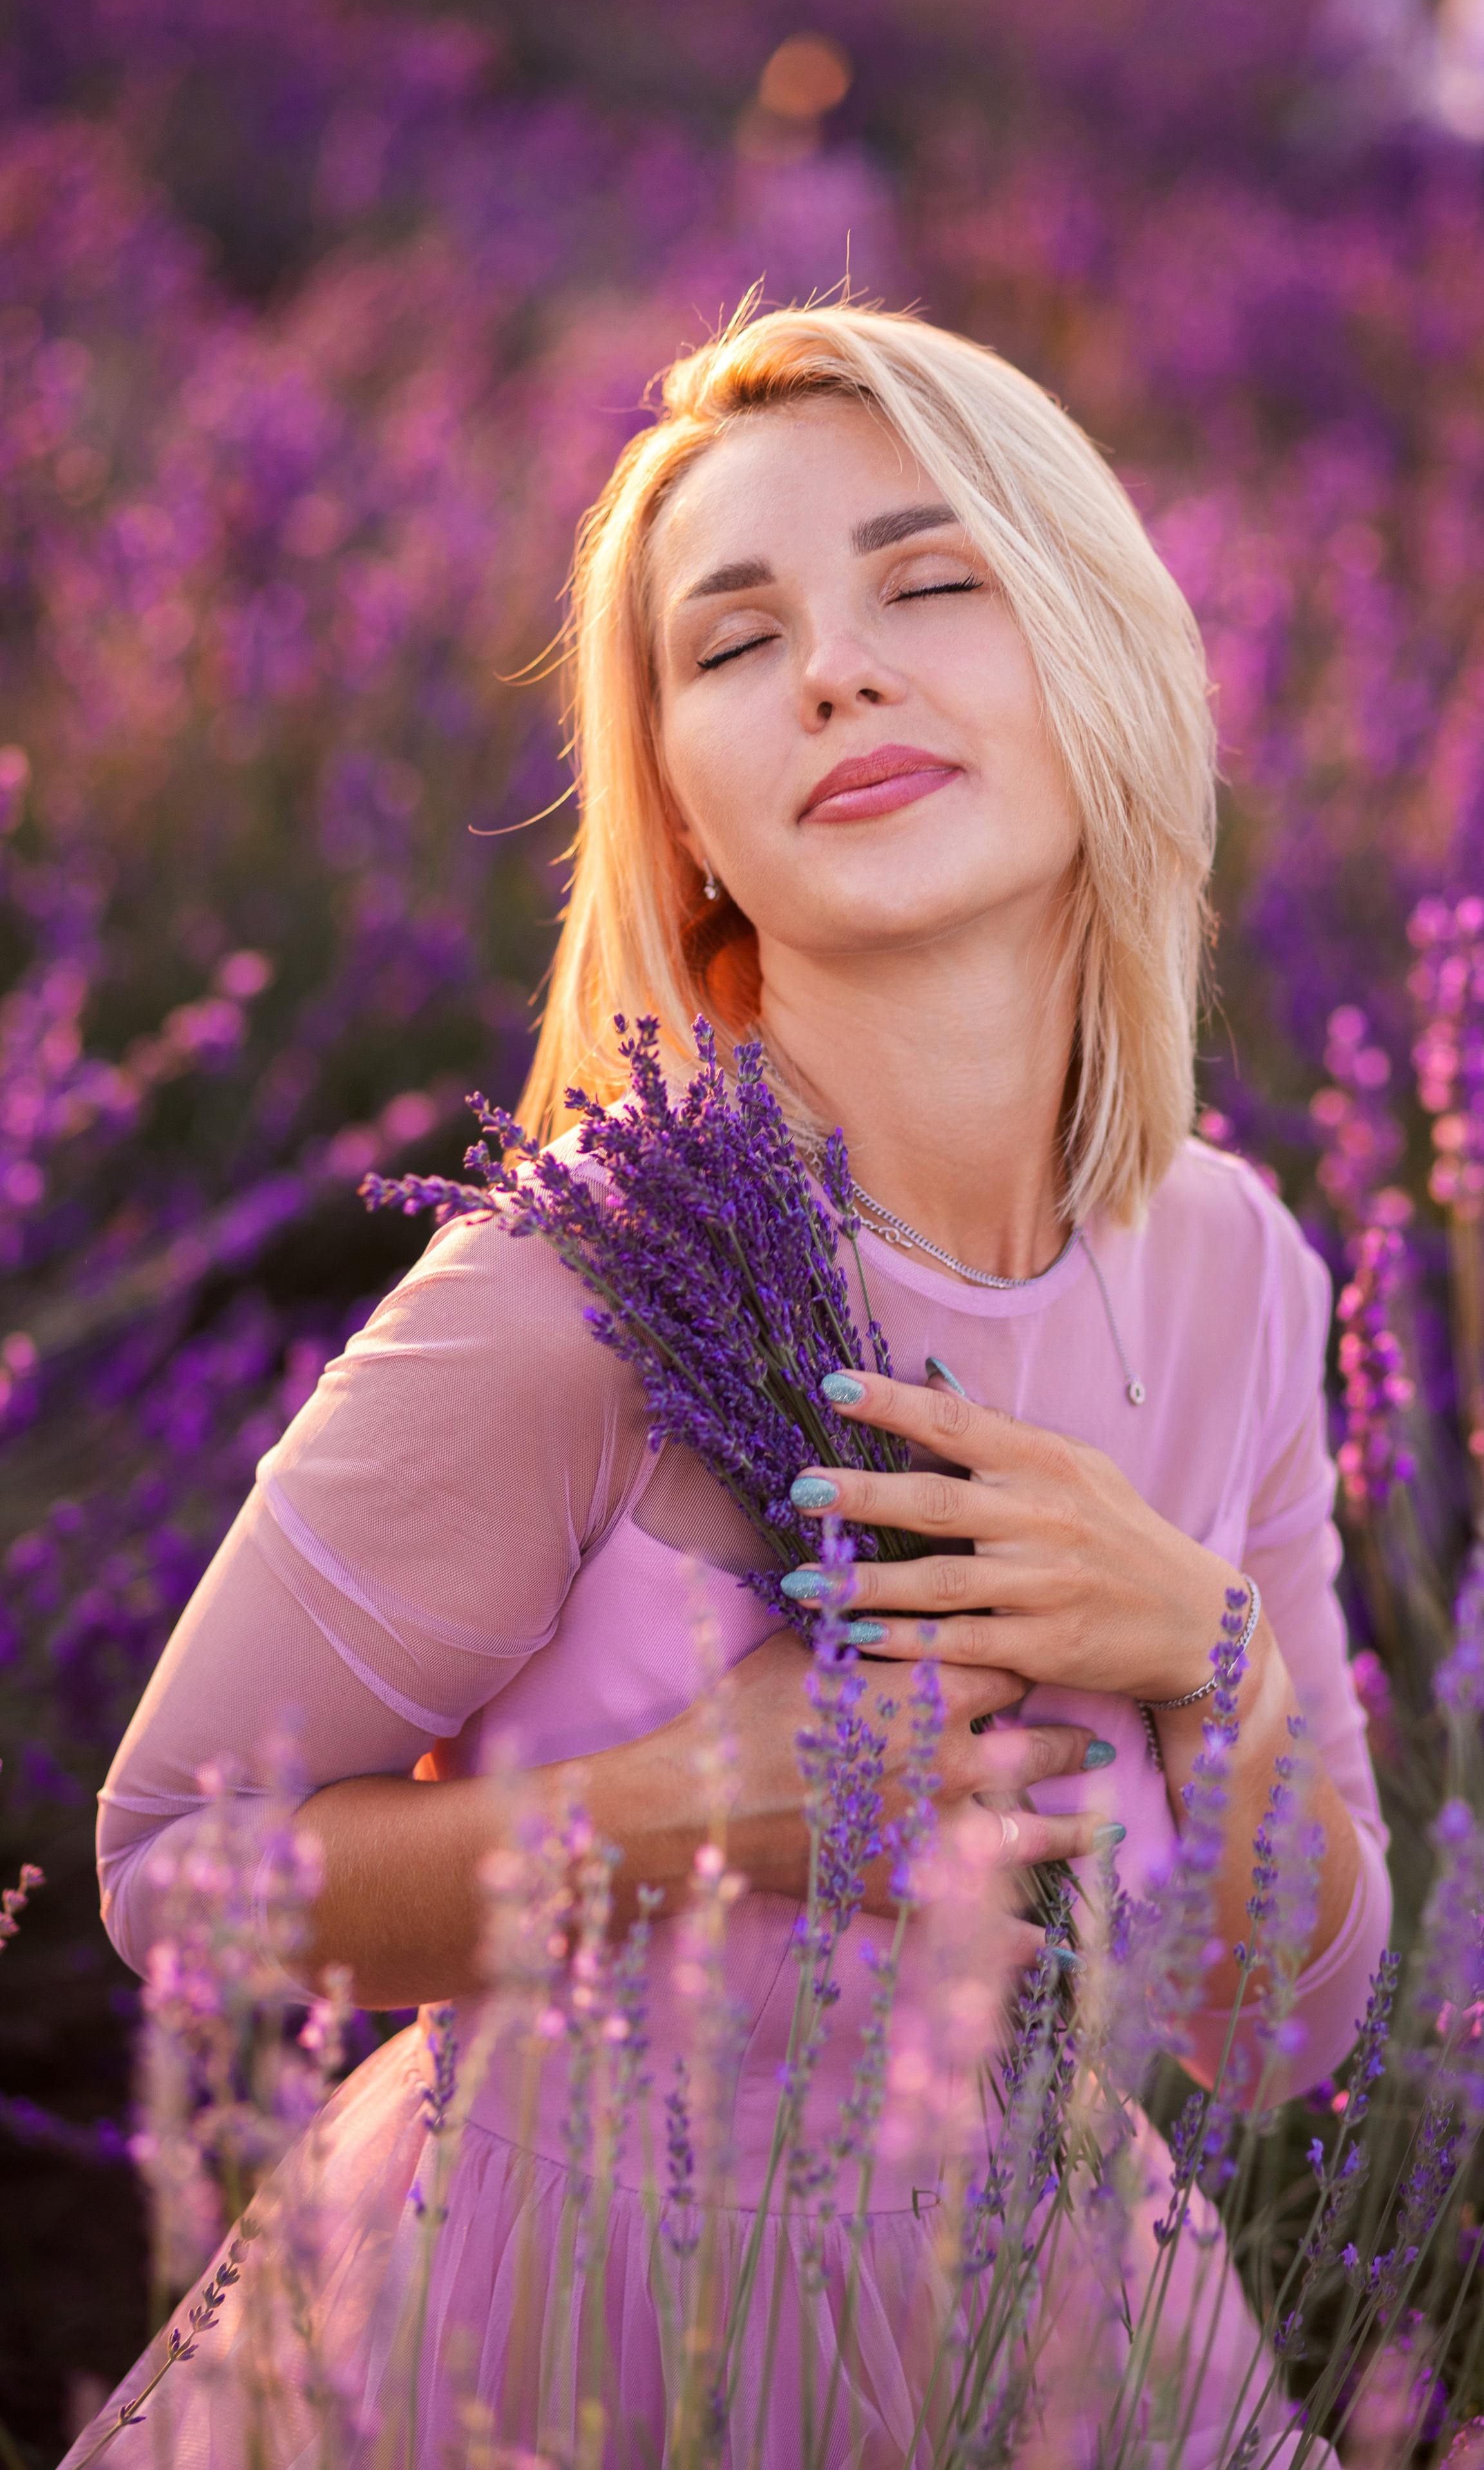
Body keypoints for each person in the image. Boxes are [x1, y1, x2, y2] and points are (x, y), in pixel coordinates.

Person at [68, 303, 1390, 2469]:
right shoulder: (570, 1287)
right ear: (682, 810)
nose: (839, 670)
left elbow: (1282, 2028)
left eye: (931, 579)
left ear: (1110, 654)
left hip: (1048, 2363)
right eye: (732, 638)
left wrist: (1201, 1654)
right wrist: (692, 1813)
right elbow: (171, 1886)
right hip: (548, 2348)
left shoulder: (1233, 1265)